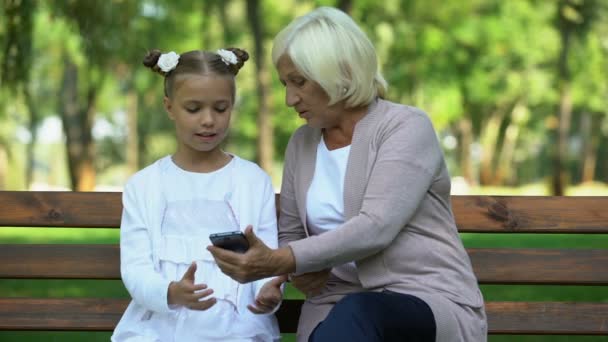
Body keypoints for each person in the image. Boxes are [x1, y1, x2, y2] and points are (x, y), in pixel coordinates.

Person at [209, 6, 488, 342]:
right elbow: (293, 232)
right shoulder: (302, 142)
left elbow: (375, 227)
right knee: (348, 318)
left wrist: (283, 260)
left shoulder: (404, 127)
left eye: (299, 82)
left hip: (424, 299)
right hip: (333, 306)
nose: (289, 99)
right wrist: (286, 276)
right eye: (285, 83)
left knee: (359, 311)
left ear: (338, 73)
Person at [111, 47, 284, 342]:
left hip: (235, 326)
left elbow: (264, 256)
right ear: (169, 108)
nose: (208, 120)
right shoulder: (145, 185)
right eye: (194, 109)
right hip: (162, 326)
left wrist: (269, 289)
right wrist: (171, 292)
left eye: (220, 108)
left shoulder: (252, 181)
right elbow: (136, 266)